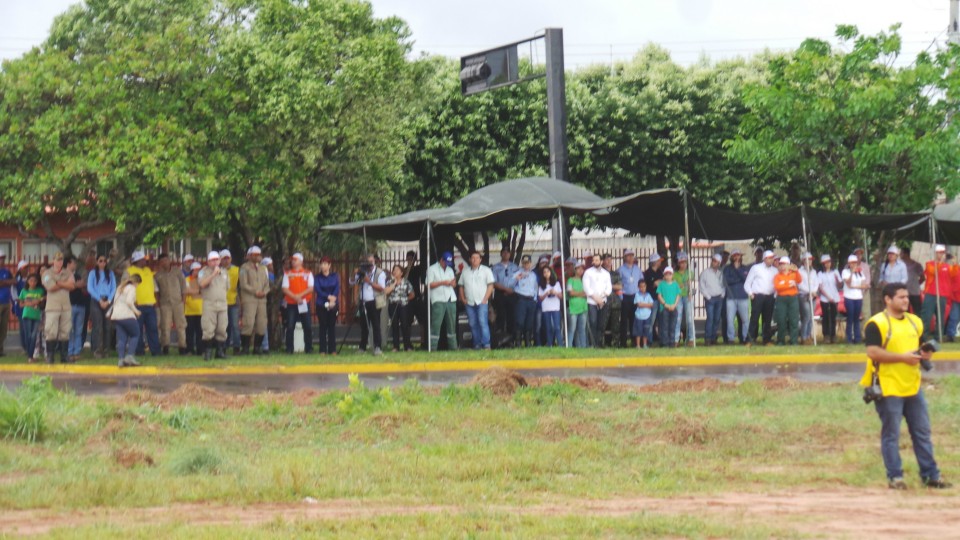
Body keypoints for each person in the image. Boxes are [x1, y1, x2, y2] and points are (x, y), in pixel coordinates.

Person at [861, 282, 951, 490]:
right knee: (891, 434)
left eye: (907, 297)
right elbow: (873, 352)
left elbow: (919, 346)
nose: (905, 300)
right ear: (888, 299)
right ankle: (895, 478)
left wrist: (924, 354)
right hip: (888, 387)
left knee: (922, 432)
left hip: (913, 386)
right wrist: (902, 358)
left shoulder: (914, 322)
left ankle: (931, 476)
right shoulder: (877, 324)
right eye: (901, 297)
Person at [123, 251, 160, 357]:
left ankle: (155, 351)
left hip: (149, 304)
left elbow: (154, 286)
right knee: (137, 329)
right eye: (143, 259)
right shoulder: (129, 271)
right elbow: (124, 286)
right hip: (136, 305)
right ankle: (139, 351)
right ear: (137, 261)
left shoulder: (148, 270)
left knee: (152, 329)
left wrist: (156, 302)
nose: (145, 261)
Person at [42, 253, 75, 364]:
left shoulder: (68, 272)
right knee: (51, 331)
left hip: (66, 306)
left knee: (65, 331)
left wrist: (59, 282)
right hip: (53, 306)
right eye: (57, 260)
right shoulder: (47, 273)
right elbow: (50, 287)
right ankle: (50, 357)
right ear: (53, 261)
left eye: (61, 260)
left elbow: (72, 286)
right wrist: (65, 283)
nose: (60, 262)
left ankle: (64, 356)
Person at [349, 254, 386, 355]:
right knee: (364, 326)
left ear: (374, 262)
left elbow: (381, 288)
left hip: (374, 301)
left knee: (376, 325)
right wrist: (354, 273)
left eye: (371, 262)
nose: (369, 265)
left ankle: (377, 347)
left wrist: (368, 281)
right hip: (363, 302)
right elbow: (352, 282)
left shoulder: (380, 273)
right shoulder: (362, 271)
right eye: (367, 262)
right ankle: (362, 347)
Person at [459, 251, 495, 350]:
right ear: (470, 259)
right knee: (473, 324)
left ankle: (486, 344)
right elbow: (461, 286)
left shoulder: (486, 270)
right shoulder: (465, 272)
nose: (475, 260)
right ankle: (477, 344)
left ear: (480, 259)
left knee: (483, 322)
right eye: (473, 258)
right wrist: (463, 299)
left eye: (477, 258)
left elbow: (490, 285)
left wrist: (485, 299)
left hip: (482, 302)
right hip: (469, 302)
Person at [919, 245, 955, 341]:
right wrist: (940, 262)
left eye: (943, 252)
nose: (941, 254)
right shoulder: (929, 264)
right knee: (926, 316)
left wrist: (955, 262)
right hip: (930, 293)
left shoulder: (948, 267)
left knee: (941, 317)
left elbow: (955, 275)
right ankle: (923, 337)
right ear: (935, 253)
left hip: (943, 295)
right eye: (939, 252)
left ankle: (938, 337)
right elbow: (933, 272)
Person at [199, 251, 231, 360]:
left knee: (222, 328)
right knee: (208, 328)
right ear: (208, 262)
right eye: (212, 260)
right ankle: (207, 352)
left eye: (217, 259)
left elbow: (227, 287)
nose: (215, 262)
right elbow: (202, 284)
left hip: (222, 304)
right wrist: (213, 274)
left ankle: (220, 352)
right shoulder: (203, 272)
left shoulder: (224, 272)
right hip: (210, 304)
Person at [239, 246, 270, 355]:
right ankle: (245, 348)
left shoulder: (263, 268)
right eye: (255, 254)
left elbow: (267, 284)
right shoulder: (244, 268)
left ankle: (257, 348)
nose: (258, 256)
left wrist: (264, 292)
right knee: (248, 323)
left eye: (259, 254)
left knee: (262, 323)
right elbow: (243, 284)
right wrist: (255, 291)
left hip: (262, 300)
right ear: (249, 256)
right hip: (250, 299)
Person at [282, 253, 314, 355]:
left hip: (304, 302)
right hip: (291, 303)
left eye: (295, 260)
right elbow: (284, 288)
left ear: (301, 261)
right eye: (292, 260)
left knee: (307, 326)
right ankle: (289, 348)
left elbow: (310, 288)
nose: (293, 261)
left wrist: (299, 295)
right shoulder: (287, 273)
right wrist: (295, 297)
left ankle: (308, 348)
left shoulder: (308, 273)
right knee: (290, 326)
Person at [156, 253, 188, 355]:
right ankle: (165, 347)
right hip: (165, 304)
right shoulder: (157, 275)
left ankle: (182, 347)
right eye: (162, 261)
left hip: (178, 302)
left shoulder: (177, 271)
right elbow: (156, 291)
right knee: (165, 326)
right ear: (160, 263)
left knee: (181, 325)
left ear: (169, 260)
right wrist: (158, 303)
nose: (164, 263)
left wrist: (183, 300)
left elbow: (183, 286)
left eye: (166, 260)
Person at [744, 250, 777, 346]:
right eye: (770, 258)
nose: (772, 260)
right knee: (754, 318)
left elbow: (776, 285)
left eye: (772, 258)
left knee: (767, 319)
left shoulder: (774, 270)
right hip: (758, 296)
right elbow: (747, 283)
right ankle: (750, 339)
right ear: (765, 259)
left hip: (770, 296)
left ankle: (766, 339)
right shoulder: (755, 268)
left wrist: (775, 295)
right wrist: (750, 293)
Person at [427, 251, 458, 351]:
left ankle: (453, 347)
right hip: (438, 299)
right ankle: (433, 347)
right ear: (441, 260)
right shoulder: (432, 269)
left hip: (450, 298)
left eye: (448, 263)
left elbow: (453, 284)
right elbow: (429, 284)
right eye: (445, 263)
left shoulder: (450, 270)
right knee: (436, 324)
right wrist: (443, 282)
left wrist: (453, 283)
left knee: (451, 325)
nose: (446, 265)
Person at [86, 255, 116, 359]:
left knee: (108, 326)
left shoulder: (110, 273)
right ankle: (97, 350)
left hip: (108, 300)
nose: (103, 263)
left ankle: (106, 349)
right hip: (96, 300)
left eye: (104, 261)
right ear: (97, 262)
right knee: (97, 325)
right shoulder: (92, 273)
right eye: (100, 261)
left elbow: (113, 288)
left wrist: (108, 301)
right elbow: (90, 288)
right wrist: (99, 300)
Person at [110, 274, 142, 367]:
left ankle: (121, 359)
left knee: (122, 338)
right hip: (127, 315)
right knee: (135, 334)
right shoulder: (131, 288)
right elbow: (129, 301)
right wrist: (136, 311)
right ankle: (130, 356)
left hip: (117, 316)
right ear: (136, 282)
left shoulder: (120, 287)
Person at [583, 252, 612, 348]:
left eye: (596, 260)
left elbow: (609, 288)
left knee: (601, 324)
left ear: (601, 261)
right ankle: (593, 344)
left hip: (603, 302)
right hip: (592, 302)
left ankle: (600, 344)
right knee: (593, 323)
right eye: (593, 260)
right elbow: (587, 288)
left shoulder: (606, 273)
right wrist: (597, 299)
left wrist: (602, 299)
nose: (594, 262)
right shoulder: (588, 272)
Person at [313, 256, 340, 355]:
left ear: (329, 266)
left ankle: (332, 349)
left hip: (333, 304)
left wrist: (333, 299)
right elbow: (318, 290)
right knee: (323, 326)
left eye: (326, 264)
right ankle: (322, 350)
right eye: (322, 264)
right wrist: (328, 296)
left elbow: (337, 288)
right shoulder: (317, 278)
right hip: (321, 303)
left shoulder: (335, 276)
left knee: (331, 326)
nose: (323, 266)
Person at [773, 256, 802, 346]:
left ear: (789, 265)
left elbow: (799, 280)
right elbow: (778, 287)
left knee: (794, 319)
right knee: (781, 320)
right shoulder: (777, 276)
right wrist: (789, 284)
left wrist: (796, 271)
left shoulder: (794, 273)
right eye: (781, 264)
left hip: (793, 298)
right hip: (781, 299)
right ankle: (781, 340)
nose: (783, 266)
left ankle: (794, 340)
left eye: (785, 264)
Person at [491, 248, 519, 339]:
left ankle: (513, 339)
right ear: (501, 254)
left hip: (513, 294)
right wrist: (505, 289)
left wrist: (511, 290)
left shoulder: (515, 267)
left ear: (510, 254)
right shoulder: (495, 267)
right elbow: (494, 282)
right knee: (501, 316)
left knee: (512, 316)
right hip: (500, 294)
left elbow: (518, 281)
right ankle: (501, 339)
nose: (506, 254)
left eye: (508, 252)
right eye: (504, 252)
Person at [385, 264, 414, 351]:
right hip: (393, 305)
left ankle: (407, 346)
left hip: (403, 305)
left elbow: (412, 294)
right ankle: (396, 346)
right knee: (394, 325)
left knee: (405, 325)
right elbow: (386, 292)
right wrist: (394, 283)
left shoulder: (406, 282)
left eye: (397, 270)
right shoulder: (389, 282)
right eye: (394, 270)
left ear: (401, 273)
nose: (395, 272)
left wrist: (405, 299)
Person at [723, 249, 750, 345]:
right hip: (731, 298)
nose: (737, 257)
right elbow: (727, 281)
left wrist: (737, 269)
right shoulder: (727, 268)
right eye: (735, 255)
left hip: (743, 297)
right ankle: (731, 338)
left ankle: (745, 338)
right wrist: (738, 278)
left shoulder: (745, 268)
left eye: (738, 255)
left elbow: (745, 279)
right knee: (730, 319)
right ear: (732, 257)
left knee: (745, 320)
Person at [842, 254, 869, 344]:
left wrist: (855, 286)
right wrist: (852, 273)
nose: (853, 265)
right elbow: (848, 283)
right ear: (849, 264)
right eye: (851, 263)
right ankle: (849, 338)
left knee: (856, 318)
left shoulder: (860, 272)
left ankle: (857, 338)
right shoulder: (845, 272)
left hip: (858, 297)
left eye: (855, 263)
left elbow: (864, 285)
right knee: (850, 317)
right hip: (849, 297)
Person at [618, 248, 642, 348]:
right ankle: (623, 342)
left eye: (632, 255)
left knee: (634, 320)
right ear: (624, 257)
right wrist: (621, 297)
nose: (631, 257)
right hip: (625, 297)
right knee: (624, 321)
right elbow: (618, 283)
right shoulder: (620, 269)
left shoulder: (637, 269)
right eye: (628, 255)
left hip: (635, 296)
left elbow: (641, 282)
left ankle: (634, 342)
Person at [699, 253, 725, 345]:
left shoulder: (720, 273)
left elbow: (723, 285)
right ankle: (708, 338)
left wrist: (722, 294)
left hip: (719, 298)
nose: (714, 263)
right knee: (710, 318)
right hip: (710, 299)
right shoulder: (705, 272)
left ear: (719, 263)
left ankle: (713, 337)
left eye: (717, 262)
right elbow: (702, 286)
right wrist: (708, 296)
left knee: (717, 319)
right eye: (713, 261)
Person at [219, 250, 242, 355]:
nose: (226, 260)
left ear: (231, 259)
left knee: (235, 325)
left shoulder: (237, 270)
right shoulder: (217, 270)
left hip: (233, 301)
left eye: (228, 258)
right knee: (223, 326)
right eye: (224, 258)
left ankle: (237, 347)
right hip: (221, 301)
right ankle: (224, 346)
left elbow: (241, 285)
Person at [17, 274, 43, 363]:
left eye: (35, 281)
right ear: (28, 281)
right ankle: (30, 356)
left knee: (34, 336)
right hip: (27, 315)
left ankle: (31, 355)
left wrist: (39, 301)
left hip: (36, 315)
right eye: (31, 280)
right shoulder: (24, 291)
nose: (33, 283)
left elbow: (43, 299)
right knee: (28, 335)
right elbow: (20, 304)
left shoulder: (40, 290)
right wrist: (29, 304)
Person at [66, 256, 88, 362]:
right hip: (69, 305)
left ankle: (77, 351)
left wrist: (80, 285)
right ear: (68, 264)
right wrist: (75, 285)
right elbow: (65, 287)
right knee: (70, 330)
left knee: (78, 330)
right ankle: (70, 351)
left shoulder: (77, 275)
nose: (75, 265)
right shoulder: (64, 275)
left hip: (81, 305)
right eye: (73, 263)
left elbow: (82, 285)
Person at [817, 255, 842, 344]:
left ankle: (833, 335)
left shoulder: (835, 272)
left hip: (835, 297)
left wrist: (837, 280)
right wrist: (828, 297)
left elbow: (839, 285)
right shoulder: (820, 274)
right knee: (826, 317)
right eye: (826, 263)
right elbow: (820, 288)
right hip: (825, 299)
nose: (828, 264)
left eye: (829, 262)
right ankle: (826, 335)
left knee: (833, 317)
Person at [797, 252, 820, 345]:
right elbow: (800, 285)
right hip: (804, 296)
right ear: (803, 261)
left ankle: (809, 335)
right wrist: (810, 291)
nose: (809, 261)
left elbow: (816, 283)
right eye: (808, 260)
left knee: (811, 316)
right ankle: (803, 336)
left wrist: (813, 291)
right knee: (806, 316)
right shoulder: (799, 271)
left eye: (810, 260)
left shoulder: (813, 272)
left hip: (813, 296)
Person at [600, 254, 622, 347]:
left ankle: (615, 343)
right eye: (607, 260)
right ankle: (601, 343)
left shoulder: (615, 274)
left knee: (615, 325)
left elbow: (620, 286)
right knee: (602, 325)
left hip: (615, 302)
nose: (609, 262)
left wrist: (609, 286)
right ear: (603, 261)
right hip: (604, 302)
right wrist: (612, 286)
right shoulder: (600, 273)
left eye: (610, 260)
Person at [673, 252, 694, 346]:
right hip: (678, 297)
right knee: (678, 318)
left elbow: (688, 285)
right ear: (678, 263)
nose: (683, 264)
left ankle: (691, 339)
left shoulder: (690, 273)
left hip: (687, 296)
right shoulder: (674, 274)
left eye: (685, 262)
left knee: (689, 318)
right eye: (681, 262)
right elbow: (677, 286)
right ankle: (676, 339)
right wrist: (682, 285)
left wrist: (689, 291)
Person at [538, 265, 562, 347]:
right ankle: (550, 344)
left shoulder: (557, 283)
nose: (546, 274)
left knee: (557, 327)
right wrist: (546, 293)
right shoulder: (541, 285)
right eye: (544, 272)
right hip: (546, 308)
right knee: (548, 328)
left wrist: (555, 292)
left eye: (548, 271)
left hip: (555, 307)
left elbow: (561, 296)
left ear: (551, 273)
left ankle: (560, 344)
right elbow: (540, 298)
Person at [566, 260, 588, 348]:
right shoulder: (570, 280)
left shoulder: (585, 280)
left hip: (583, 307)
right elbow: (570, 293)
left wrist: (577, 293)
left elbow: (587, 292)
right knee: (572, 329)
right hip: (573, 308)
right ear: (575, 270)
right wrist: (582, 293)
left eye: (582, 269)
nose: (580, 271)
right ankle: (569, 346)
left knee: (582, 329)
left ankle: (583, 347)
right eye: (578, 269)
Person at [643, 253, 664, 342]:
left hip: (660, 299)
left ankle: (661, 339)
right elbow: (650, 285)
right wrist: (655, 283)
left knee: (661, 320)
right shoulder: (647, 273)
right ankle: (648, 340)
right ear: (654, 262)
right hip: (652, 299)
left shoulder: (660, 272)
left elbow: (662, 282)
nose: (660, 262)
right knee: (651, 320)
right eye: (659, 261)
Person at [657, 266, 681, 347]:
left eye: (670, 274)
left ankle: (672, 342)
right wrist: (665, 304)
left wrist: (674, 305)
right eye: (666, 274)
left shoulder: (675, 284)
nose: (668, 276)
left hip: (674, 308)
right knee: (664, 326)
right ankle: (665, 343)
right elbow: (659, 296)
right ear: (664, 275)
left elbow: (678, 295)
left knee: (673, 326)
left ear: (672, 275)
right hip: (664, 308)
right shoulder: (661, 284)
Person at [183, 262, 203, 355]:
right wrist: (198, 291)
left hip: (201, 310)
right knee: (189, 331)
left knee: (200, 331)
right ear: (192, 270)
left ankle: (200, 349)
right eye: (197, 270)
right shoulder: (187, 279)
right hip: (189, 310)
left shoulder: (202, 280)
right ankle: (190, 349)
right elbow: (186, 290)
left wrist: (194, 292)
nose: (199, 271)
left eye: (200, 269)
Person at [901, 247, 924, 315]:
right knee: (905, 311)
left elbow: (923, 277)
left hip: (914, 292)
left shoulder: (917, 265)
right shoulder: (900, 265)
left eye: (901, 253)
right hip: (904, 292)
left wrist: (916, 284)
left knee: (917, 311)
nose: (900, 255)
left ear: (906, 254)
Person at [13, 260, 29, 356]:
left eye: (27, 268)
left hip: (31, 306)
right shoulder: (17, 280)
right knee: (23, 328)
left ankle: (32, 346)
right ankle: (24, 347)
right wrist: (18, 301)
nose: (26, 270)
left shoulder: (31, 278)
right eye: (24, 268)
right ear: (20, 269)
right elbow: (13, 293)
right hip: (21, 306)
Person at [633, 280, 655, 349]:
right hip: (639, 316)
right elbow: (639, 305)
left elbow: (652, 304)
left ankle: (645, 344)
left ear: (646, 287)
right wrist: (647, 304)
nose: (642, 288)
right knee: (638, 331)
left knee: (646, 331)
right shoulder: (637, 294)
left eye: (644, 286)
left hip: (647, 316)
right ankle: (638, 345)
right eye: (641, 287)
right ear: (638, 287)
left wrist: (643, 304)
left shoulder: (648, 295)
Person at [0, 249, 13, 357]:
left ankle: (1, 349)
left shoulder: (6, 271)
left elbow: (13, 281)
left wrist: (4, 282)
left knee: (4, 327)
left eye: (3, 258)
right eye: (0, 258)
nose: (2, 260)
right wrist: (6, 283)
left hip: (6, 302)